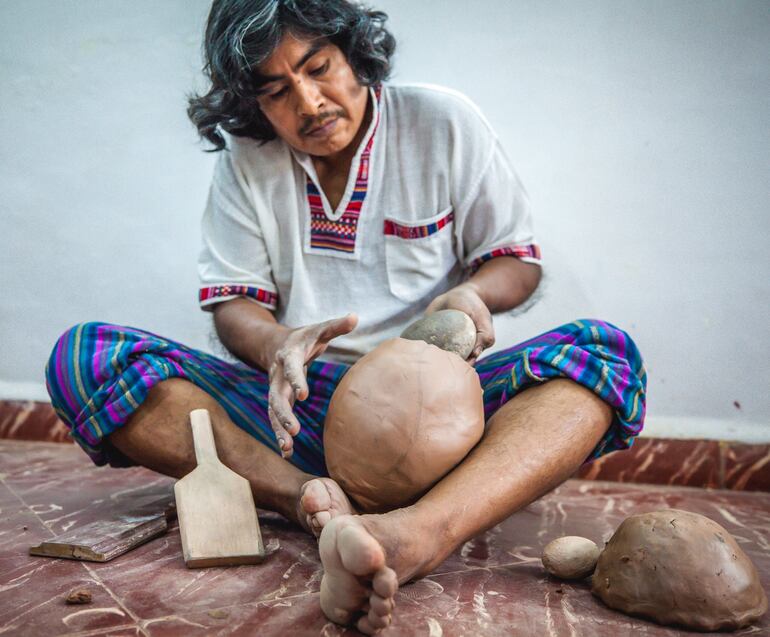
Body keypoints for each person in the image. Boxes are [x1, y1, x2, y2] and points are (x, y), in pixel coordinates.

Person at [45, 1, 646, 633]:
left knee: (601, 351)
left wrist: (472, 296)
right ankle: (307, 499)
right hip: (298, 414)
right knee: (85, 356)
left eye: (318, 68)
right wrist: (279, 344)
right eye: (275, 91)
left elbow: (515, 263)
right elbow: (233, 304)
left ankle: (418, 532)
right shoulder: (247, 158)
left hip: (445, 420)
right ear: (252, 104)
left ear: (353, 52)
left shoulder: (439, 121)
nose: (307, 103)